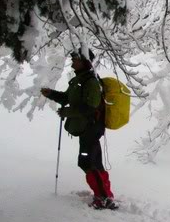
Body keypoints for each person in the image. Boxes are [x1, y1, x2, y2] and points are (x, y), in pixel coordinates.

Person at [41, 49, 117, 210]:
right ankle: (105, 194)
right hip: (85, 128)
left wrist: (68, 112)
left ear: (85, 62)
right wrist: (51, 94)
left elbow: (92, 106)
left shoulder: (91, 82)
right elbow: (67, 98)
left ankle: (103, 198)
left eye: (75, 59)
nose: (72, 61)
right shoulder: (78, 80)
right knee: (92, 162)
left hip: (91, 128)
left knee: (88, 162)